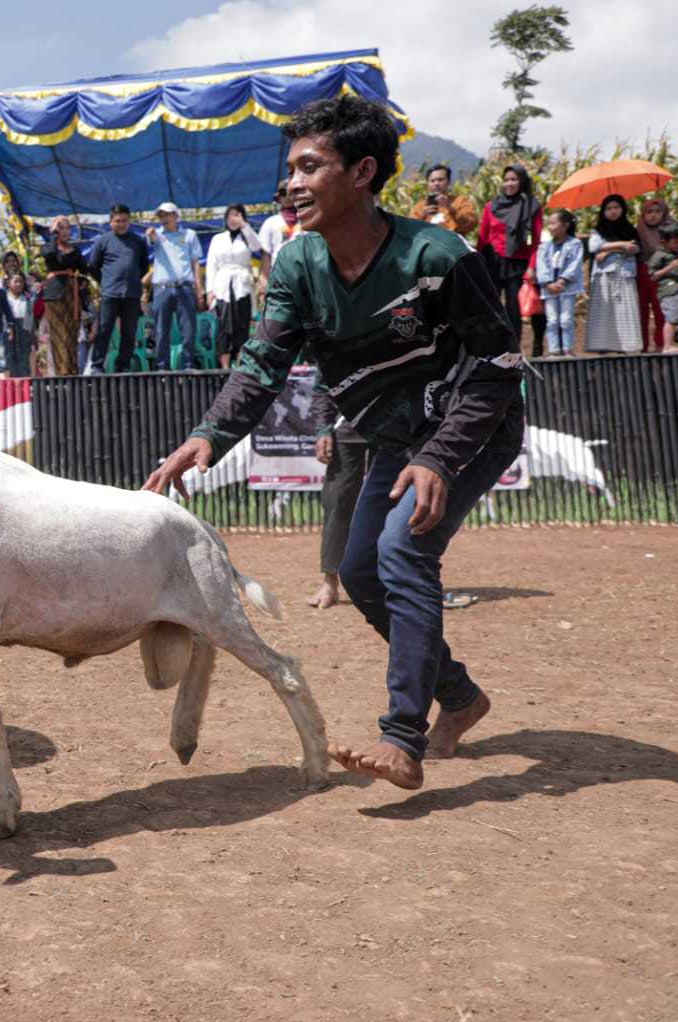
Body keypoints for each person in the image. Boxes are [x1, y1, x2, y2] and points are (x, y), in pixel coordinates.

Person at [143, 95, 523, 791]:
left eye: (309, 166)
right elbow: (262, 366)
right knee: (357, 572)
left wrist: (439, 456)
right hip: (390, 436)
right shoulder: (296, 265)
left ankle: (401, 737)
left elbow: (498, 364)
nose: (290, 182)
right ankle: (462, 697)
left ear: (362, 172)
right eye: (288, 168)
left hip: (468, 428)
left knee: (404, 552)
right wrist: (208, 436)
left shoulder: (437, 254)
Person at [307, 388, 370, 609]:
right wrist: (323, 429)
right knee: (337, 501)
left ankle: (396, 581)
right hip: (350, 423)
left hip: (397, 426)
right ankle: (330, 583)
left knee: (393, 499)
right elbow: (323, 384)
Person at [478, 163, 545, 359]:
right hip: (493, 262)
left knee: (514, 310)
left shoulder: (532, 206)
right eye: (506, 179)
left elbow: (537, 241)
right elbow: (482, 239)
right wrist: (478, 265)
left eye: (514, 179)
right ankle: (490, 351)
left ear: (522, 181)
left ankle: (513, 352)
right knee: (489, 307)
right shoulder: (492, 206)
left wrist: (532, 267)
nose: (509, 183)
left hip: (519, 263)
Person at [86, 204, 152, 375]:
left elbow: (144, 266)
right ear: (110, 222)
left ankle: (122, 367)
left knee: (129, 333)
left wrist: (132, 280)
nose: (121, 224)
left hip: (131, 295)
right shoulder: (103, 241)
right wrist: (106, 281)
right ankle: (97, 366)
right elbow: (92, 266)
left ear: (129, 221)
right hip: (110, 294)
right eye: (117, 221)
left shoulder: (138, 241)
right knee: (104, 330)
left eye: (124, 221)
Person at [144, 202, 205, 371]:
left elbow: (196, 262)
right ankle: (162, 368)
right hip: (162, 288)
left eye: (167, 214)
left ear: (176, 216)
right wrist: (150, 236)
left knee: (188, 330)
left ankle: (188, 366)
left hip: (184, 287)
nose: (163, 218)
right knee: (162, 331)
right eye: (161, 215)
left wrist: (199, 288)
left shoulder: (190, 234)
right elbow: (151, 242)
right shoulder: (156, 235)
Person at [205, 203, 263, 369]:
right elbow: (211, 265)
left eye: (237, 215)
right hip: (222, 286)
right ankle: (224, 368)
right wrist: (210, 290)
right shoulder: (218, 239)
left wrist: (244, 226)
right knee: (224, 327)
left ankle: (240, 366)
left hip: (242, 286)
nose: (233, 219)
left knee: (241, 325)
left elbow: (257, 247)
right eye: (230, 215)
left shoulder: (246, 236)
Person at [586, 194, 643, 354]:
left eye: (616, 207)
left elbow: (636, 248)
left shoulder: (630, 229)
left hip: (624, 275)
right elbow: (593, 247)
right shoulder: (598, 230)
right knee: (604, 310)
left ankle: (625, 346)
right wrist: (622, 245)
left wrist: (608, 249)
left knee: (624, 309)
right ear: (603, 211)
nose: (613, 211)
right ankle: (602, 345)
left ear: (623, 209)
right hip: (604, 276)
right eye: (608, 208)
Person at [41, 219, 87, 376]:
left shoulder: (75, 250)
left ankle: (73, 373)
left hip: (73, 295)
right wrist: (53, 236)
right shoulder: (49, 246)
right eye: (61, 228)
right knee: (60, 335)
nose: (65, 231)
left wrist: (82, 281)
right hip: (55, 295)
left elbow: (85, 269)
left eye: (68, 227)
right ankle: (62, 374)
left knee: (71, 335)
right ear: (54, 230)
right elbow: (50, 256)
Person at [535, 209, 584, 357]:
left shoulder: (575, 244)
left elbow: (575, 264)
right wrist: (548, 283)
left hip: (567, 287)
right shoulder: (544, 247)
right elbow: (541, 265)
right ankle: (554, 349)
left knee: (566, 319)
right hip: (549, 289)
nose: (550, 227)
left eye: (553, 223)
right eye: (548, 224)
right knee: (552, 320)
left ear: (565, 225)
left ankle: (567, 348)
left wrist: (563, 280)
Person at [648, 223, 678, 352]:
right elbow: (653, 276)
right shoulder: (659, 255)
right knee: (671, 318)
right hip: (669, 291)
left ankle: (672, 343)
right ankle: (667, 346)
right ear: (664, 242)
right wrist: (670, 267)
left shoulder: (677, 253)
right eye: (676, 242)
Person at [636, 199, 672, 352]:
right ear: (643, 215)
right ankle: (641, 346)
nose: (653, 216)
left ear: (664, 213)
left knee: (661, 311)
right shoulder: (637, 231)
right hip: (641, 273)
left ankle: (660, 345)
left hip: (663, 273)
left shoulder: (670, 230)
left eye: (658, 212)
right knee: (640, 311)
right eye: (649, 212)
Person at [408, 164, 479, 236]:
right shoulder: (420, 206)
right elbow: (409, 229)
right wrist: (423, 215)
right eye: (432, 181)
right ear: (428, 184)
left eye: (440, 180)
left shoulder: (461, 201)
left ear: (448, 182)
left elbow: (471, 224)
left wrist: (450, 208)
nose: (436, 183)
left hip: (453, 244)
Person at [257, 180, 301, 287]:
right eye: (283, 194)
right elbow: (266, 253)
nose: (287, 197)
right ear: (279, 198)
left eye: (290, 193)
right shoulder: (270, 222)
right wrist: (264, 279)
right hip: (279, 275)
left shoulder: (307, 219)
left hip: (304, 273)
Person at [4, 272, 36, 378]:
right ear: (9, 283)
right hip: (9, 331)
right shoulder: (4, 299)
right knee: (9, 358)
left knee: (23, 359)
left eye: (21, 282)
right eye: (15, 281)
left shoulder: (27, 300)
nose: (18, 284)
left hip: (23, 332)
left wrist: (30, 337)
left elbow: (29, 322)